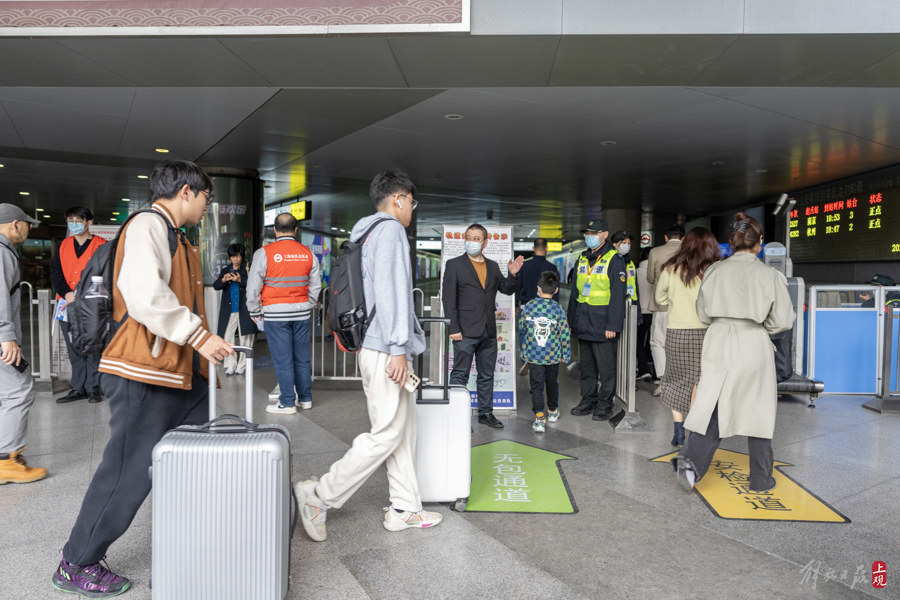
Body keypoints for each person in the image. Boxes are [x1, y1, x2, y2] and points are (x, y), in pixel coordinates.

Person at [52, 160, 234, 598]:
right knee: (128, 470)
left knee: (194, 459)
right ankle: (77, 561)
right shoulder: (150, 225)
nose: (208, 205)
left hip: (178, 374)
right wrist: (199, 336)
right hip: (142, 372)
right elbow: (144, 294)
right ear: (186, 192)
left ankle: (195, 541)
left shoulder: (177, 234)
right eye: (207, 196)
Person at [295, 168, 442, 542]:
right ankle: (320, 495)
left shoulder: (365, 232)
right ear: (398, 199)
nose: (412, 209)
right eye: (411, 201)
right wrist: (398, 349)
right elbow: (392, 293)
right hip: (384, 348)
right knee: (387, 432)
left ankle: (404, 508)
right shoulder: (391, 230)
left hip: (375, 345)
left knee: (403, 432)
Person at [672, 213, 794, 494]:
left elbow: (702, 313)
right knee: (759, 411)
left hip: (717, 340)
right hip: (752, 340)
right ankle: (761, 479)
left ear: (732, 242)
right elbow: (782, 321)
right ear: (759, 243)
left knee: (712, 404)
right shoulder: (770, 275)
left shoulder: (715, 271)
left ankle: (690, 467)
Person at [442, 223, 524, 429]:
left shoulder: (493, 266)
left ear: (485, 243)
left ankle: (485, 413)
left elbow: (506, 290)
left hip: (488, 331)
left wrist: (513, 274)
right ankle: (456, 415)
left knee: (487, 375)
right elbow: (448, 299)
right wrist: (453, 329)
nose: (471, 241)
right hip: (464, 331)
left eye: (476, 238)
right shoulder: (454, 265)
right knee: (460, 374)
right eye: (468, 237)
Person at [246, 213, 321, 414]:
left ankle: (287, 402)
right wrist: (308, 304)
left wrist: (254, 309)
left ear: (275, 230)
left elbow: (253, 287)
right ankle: (305, 399)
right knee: (302, 358)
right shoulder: (308, 254)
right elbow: (315, 286)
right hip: (302, 314)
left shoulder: (264, 253)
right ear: (295, 230)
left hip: (275, 316)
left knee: (283, 360)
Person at [654, 227, 719, 448]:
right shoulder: (714, 270)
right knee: (699, 383)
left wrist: (676, 299)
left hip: (677, 332)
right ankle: (694, 432)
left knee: (674, 380)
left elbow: (660, 297)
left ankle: (678, 431)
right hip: (707, 333)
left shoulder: (671, 268)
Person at [0, 204, 47, 485]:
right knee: (19, 391)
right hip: (1, 338)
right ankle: (8, 461)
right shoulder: (2, 252)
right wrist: (7, 337)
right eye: (27, 224)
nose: (29, 229)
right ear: (14, 225)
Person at [567, 219, 627, 421]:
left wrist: (613, 325)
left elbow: (618, 295)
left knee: (606, 368)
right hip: (583, 321)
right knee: (588, 367)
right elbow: (576, 292)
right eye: (587, 233)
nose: (589, 236)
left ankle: (604, 404)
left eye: (594, 233)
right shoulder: (582, 258)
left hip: (603, 325)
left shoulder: (615, 259)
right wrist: (571, 321)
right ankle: (588, 400)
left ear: (604, 234)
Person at [51, 206, 108, 404]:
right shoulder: (63, 245)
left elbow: (107, 274)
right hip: (66, 304)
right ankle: (79, 387)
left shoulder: (102, 245)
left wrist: (84, 295)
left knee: (93, 347)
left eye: (78, 220)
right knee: (73, 347)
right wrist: (66, 293)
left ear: (89, 223)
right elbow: (56, 273)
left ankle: (93, 388)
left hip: (91, 305)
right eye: (70, 221)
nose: (73, 224)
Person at [519, 271, 571, 433]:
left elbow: (522, 329)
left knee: (536, 386)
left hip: (534, 355)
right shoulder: (558, 310)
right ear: (556, 291)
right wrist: (566, 354)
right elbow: (564, 333)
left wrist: (524, 351)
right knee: (552, 382)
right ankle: (553, 412)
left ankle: (539, 418)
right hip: (553, 356)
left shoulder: (528, 307)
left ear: (538, 288)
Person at [646, 224, 684, 397]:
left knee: (658, 342)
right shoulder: (690, 251)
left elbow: (650, 278)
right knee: (680, 344)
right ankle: (680, 383)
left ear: (666, 237)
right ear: (683, 238)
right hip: (685, 306)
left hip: (662, 305)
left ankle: (663, 381)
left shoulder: (655, 252)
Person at [212, 243, 258, 375]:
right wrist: (223, 280)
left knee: (246, 337)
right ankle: (230, 364)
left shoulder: (248, 268)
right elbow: (216, 286)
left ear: (242, 256)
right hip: (230, 308)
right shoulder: (226, 270)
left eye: (238, 257)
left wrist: (240, 280)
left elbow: (255, 285)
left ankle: (242, 365)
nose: (236, 260)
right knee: (227, 336)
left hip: (244, 307)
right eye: (233, 257)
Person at [515, 238, 559, 307]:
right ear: (546, 248)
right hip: (546, 306)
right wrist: (555, 306)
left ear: (533, 248)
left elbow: (517, 287)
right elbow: (555, 290)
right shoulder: (552, 268)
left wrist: (516, 305)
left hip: (526, 306)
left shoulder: (524, 266)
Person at [635, 247, 655, 381]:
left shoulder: (636, 272)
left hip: (640, 312)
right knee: (651, 341)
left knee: (637, 341)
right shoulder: (657, 272)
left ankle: (643, 369)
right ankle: (651, 364)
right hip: (655, 311)